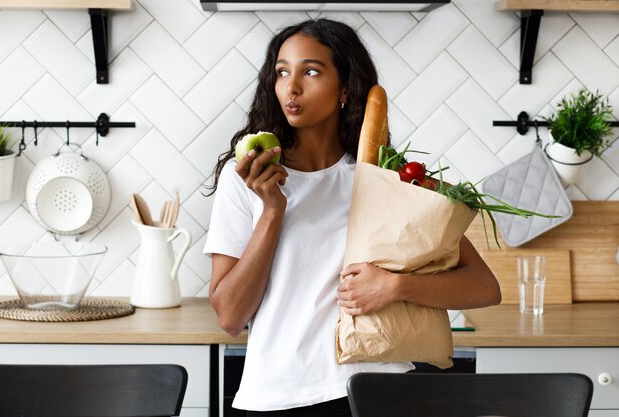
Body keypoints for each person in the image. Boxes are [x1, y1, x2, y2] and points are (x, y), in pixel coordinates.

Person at [203, 18, 501, 416]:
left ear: (345, 88)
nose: (291, 87)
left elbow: (484, 287)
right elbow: (229, 316)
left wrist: (395, 286)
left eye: (311, 71)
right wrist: (273, 210)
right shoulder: (248, 177)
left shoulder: (383, 177)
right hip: (275, 395)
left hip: (377, 390)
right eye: (281, 72)